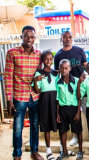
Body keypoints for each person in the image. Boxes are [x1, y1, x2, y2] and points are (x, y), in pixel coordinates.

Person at [4, 26, 44, 160]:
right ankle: (17, 154)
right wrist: (9, 100)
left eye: (32, 37)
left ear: (35, 38)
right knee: (17, 128)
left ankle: (34, 151)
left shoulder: (39, 55)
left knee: (34, 125)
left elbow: (39, 75)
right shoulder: (12, 53)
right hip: (19, 96)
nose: (29, 39)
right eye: (26, 36)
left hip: (35, 96)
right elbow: (8, 76)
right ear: (21, 37)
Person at [54, 31, 87, 146]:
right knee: (73, 115)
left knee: (88, 112)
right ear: (61, 39)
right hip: (67, 89)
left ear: (72, 39)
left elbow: (86, 66)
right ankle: (75, 137)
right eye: (65, 37)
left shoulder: (79, 51)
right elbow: (57, 73)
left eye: (70, 37)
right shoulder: (58, 55)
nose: (67, 39)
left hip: (81, 87)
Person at [32, 50, 58, 160]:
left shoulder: (56, 73)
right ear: (42, 60)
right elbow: (37, 91)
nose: (48, 61)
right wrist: (36, 80)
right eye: (46, 59)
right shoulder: (38, 73)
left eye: (50, 59)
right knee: (46, 125)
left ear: (53, 60)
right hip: (44, 101)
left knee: (58, 123)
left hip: (55, 100)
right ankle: (48, 150)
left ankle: (63, 148)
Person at [56, 59, 84, 160]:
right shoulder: (58, 82)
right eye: (62, 68)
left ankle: (80, 151)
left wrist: (78, 112)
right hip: (63, 109)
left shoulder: (77, 80)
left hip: (74, 109)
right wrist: (57, 114)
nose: (64, 70)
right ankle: (64, 152)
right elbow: (58, 99)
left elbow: (79, 97)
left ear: (70, 68)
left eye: (66, 68)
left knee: (78, 131)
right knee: (62, 131)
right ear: (59, 69)